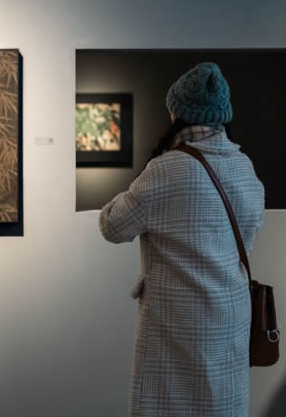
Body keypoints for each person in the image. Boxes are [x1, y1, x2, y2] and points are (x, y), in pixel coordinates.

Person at [99, 62, 265, 416]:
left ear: (177, 114)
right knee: (221, 406)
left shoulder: (166, 169)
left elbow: (113, 227)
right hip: (231, 314)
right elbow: (247, 240)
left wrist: (125, 194)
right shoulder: (245, 167)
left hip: (175, 320)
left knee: (169, 405)